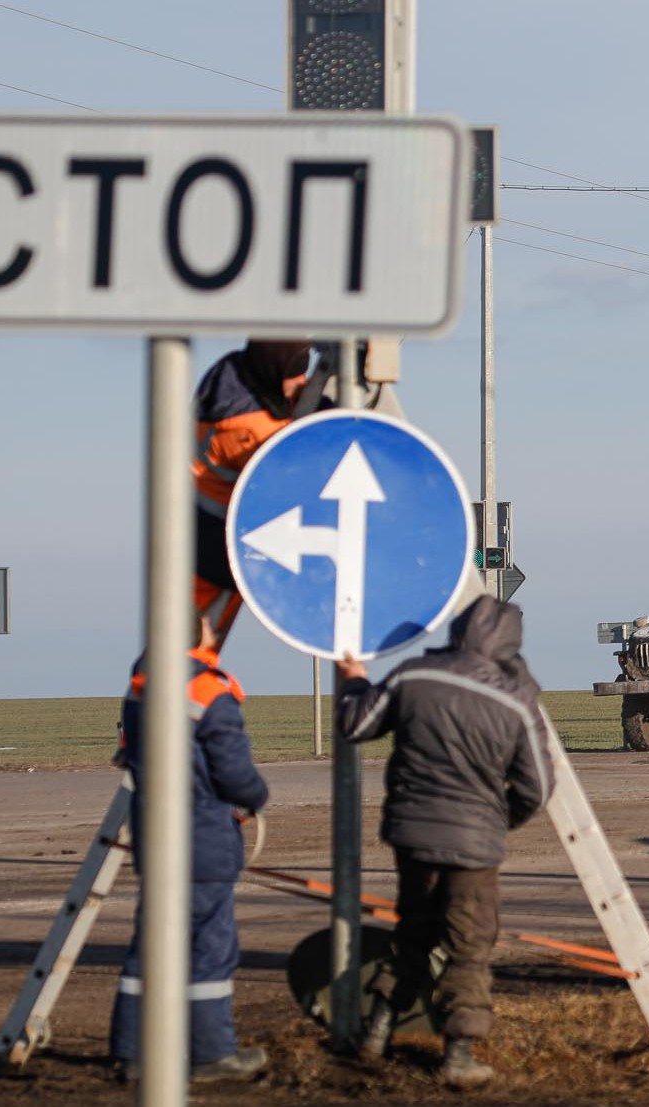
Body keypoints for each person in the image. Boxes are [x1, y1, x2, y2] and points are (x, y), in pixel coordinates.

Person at [334, 596, 555, 1088]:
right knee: (468, 945)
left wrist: (353, 679)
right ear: (511, 643)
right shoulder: (516, 701)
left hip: (412, 835)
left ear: (457, 631)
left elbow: (356, 724)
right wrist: (498, 821)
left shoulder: (413, 675)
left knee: (412, 933)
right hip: (475, 845)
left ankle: (375, 1034)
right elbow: (537, 788)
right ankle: (458, 1056)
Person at [110, 619, 271, 1084]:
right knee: (208, 948)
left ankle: (133, 1052)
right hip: (201, 838)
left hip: (154, 834)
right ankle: (211, 1053)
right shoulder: (208, 690)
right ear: (197, 635)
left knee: (150, 946)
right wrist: (257, 796)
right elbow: (235, 775)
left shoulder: (141, 685)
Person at [192, 340, 315, 645]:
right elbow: (288, 470)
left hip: (213, 532)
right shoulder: (243, 428)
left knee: (189, 641)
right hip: (214, 546)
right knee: (193, 643)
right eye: (295, 373)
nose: (304, 381)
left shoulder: (237, 374)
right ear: (274, 372)